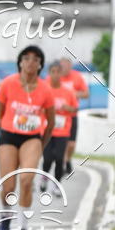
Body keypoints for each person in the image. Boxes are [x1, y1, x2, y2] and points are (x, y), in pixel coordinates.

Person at [0, 46, 54, 230]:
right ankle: (5, 216)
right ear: (20, 62)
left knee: (27, 180)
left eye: (36, 59)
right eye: (27, 58)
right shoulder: (7, 84)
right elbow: (1, 112)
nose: (31, 62)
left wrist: (40, 144)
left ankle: (23, 228)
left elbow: (51, 121)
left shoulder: (45, 89)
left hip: (32, 138)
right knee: (8, 186)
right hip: (9, 136)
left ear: (40, 65)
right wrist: (4, 132)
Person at [41, 61, 78, 192]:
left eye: (58, 72)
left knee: (59, 158)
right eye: (53, 72)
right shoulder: (44, 89)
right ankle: (44, 177)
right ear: (49, 73)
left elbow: (75, 109)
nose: (56, 75)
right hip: (47, 130)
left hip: (62, 131)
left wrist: (67, 107)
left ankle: (57, 184)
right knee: (48, 158)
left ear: (61, 73)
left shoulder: (68, 92)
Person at [59, 56, 89, 174]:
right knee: (60, 141)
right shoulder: (55, 76)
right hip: (59, 116)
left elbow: (86, 94)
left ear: (70, 66)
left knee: (71, 144)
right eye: (61, 66)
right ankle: (61, 163)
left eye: (66, 66)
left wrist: (74, 94)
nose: (63, 69)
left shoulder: (77, 77)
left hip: (71, 114)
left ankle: (67, 159)